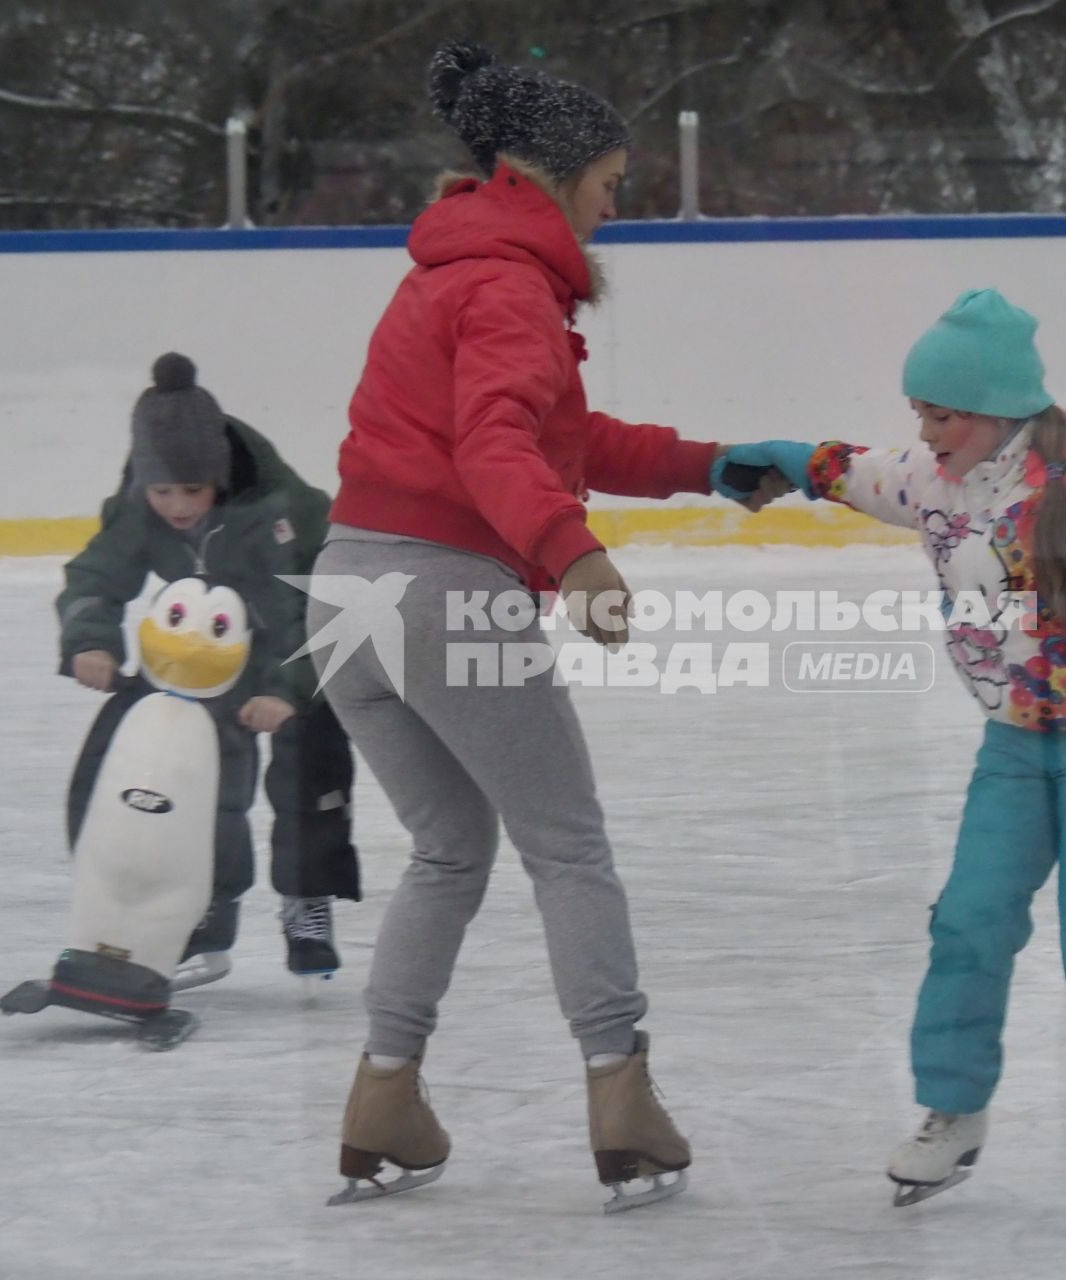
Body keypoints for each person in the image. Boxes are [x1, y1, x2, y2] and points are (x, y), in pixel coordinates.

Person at [308, 40, 781, 1211]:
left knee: (449, 848)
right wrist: (574, 556)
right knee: (566, 842)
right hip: (442, 591)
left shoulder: (451, 271)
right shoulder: (514, 283)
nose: (615, 208)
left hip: (344, 596)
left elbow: (567, 435)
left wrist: (709, 462)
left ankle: (385, 1091)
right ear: (559, 177)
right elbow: (497, 450)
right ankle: (620, 1089)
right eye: (612, 185)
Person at [715, 288, 1066, 1231]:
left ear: (996, 412)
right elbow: (854, 472)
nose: (925, 430)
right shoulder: (930, 479)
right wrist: (781, 462)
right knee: (968, 919)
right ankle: (955, 1111)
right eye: (920, 414)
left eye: (941, 414)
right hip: (1015, 739)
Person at [57, 353, 362, 985]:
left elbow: (313, 610)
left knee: (310, 761)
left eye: (191, 490)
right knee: (190, 773)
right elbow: (96, 575)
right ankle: (206, 911)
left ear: (219, 478)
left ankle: (307, 899)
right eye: (162, 490)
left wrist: (285, 691)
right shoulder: (140, 503)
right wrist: (92, 640)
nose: (176, 506)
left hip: (307, 637)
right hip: (203, 648)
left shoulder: (280, 511)